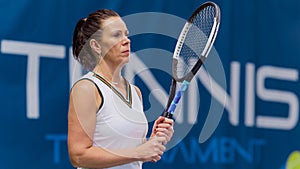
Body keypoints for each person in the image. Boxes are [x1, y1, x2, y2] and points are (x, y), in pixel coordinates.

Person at [68, 9, 174, 169]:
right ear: (96, 45)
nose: (126, 40)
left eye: (126, 34)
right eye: (116, 35)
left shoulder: (135, 92)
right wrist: (139, 152)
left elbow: (124, 150)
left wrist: (152, 142)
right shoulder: (86, 89)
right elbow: (78, 156)